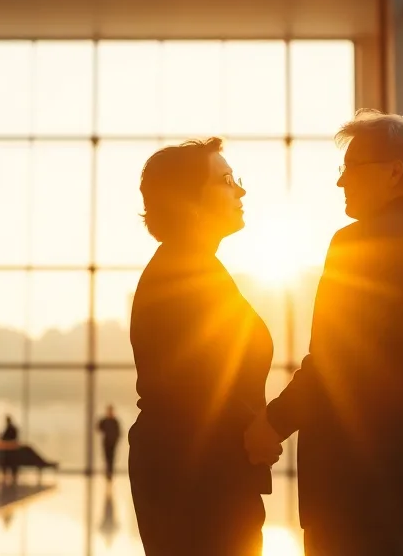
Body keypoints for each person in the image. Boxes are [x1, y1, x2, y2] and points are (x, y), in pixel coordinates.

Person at [245, 110, 403, 556]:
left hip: (361, 491)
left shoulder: (357, 243)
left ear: (394, 172)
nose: (341, 182)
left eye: (351, 168)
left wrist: (271, 424)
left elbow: (333, 364)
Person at [129, 138, 277, 555]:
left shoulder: (195, 266)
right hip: (197, 481)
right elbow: (200, 387)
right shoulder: (184, 273)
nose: (240, 190)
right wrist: (261, 432)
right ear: (188, 201)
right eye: (227, 180)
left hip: (202, 473)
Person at [98, 405, 122, 480]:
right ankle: (109, 472)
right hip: (108, 442)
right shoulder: (107, 420)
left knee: (111, 458)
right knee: (108, 457)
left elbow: (118, 432)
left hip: (111, 442)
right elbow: (99, 428)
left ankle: (109, 472)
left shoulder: (113, 421)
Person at [0, 415, 19, 483]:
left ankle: (12, 476)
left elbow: (6, 438)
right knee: (10, 464)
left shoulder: (10, 428)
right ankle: (11, 476)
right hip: (10, 449)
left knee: (10, 463)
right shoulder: (12, 428)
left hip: (10, 449)